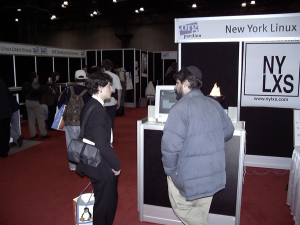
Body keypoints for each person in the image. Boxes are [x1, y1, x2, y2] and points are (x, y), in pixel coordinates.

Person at [161, 66, 234, 225]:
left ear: (186, 83)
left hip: (187, 176)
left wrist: (171, 173)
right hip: (212, 173)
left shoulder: (179, 109)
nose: (175, 86)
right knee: (200, 213)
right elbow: (228, 132)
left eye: (177, 82)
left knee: (183, 208)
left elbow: (170, 148)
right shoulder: (215, 105)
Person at [76, 71, 121, 225]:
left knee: (105, 200)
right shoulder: (97, 110)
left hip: (93, 160)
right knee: (106, 205)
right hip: (100, 164)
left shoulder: (91, 104)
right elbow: (102, 144)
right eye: (110, 86)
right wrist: (116, 164)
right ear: (101, 87)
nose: (112, 90)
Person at [58, 70, 91, 171]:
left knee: (71, 143)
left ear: (75, 79)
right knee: (84, 143)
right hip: (84, 123)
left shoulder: (68, 90)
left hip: (70, 122)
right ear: (85, 79)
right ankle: (84, 164)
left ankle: (72, 166)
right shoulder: (88, 91)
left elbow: (60, 104)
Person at [22, 72, 51, 139]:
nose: (38, 77)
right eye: (37, 76)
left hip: (28, 102)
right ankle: (43, 134)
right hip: (35, 102)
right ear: (34, 77)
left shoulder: (26, 84)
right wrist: (47, 84)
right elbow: (42, 90)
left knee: (31, 119)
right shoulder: (35, 85)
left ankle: (32, 134)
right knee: (41, 118)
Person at [102, 59, 122, 130]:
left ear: (103, 67)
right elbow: (119, 90)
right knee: (111, 121)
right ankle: (110, 138)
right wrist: (119, 102)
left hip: (101, 102)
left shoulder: (100, 76)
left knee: (101, 121)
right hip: (112, 102)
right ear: (111, 67)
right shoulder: (115, 76)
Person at [0, 79, 12, 158]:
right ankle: (6, 148)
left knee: (1, 133)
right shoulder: (2, 81)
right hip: (7, 110)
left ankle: (3, 151)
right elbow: (8, 93)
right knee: (6, 130)